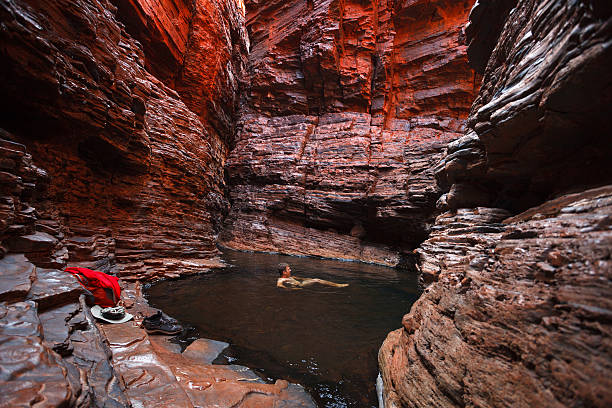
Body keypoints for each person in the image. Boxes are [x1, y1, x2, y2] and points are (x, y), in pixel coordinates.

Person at [276, 263, 349, 289]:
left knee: (314, 279)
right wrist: (292, 289)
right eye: (289, 269)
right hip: (300, 285)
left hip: (300, 283)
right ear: (284, 272)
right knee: (317, 280)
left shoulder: (291, 277)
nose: (291, 270)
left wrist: (308, 279)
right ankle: (338, 285)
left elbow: (301, 278)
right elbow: (279, 285)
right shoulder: (281, 280)